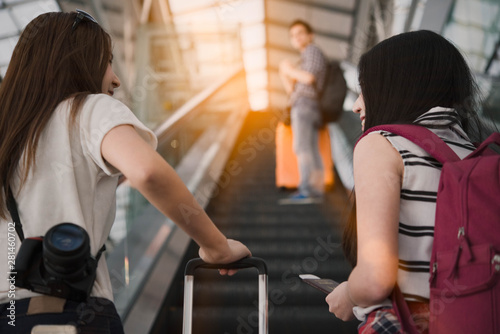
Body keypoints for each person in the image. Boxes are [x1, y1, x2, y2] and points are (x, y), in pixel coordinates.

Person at [0, 11, 250, 333]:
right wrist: (216, 246)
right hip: (70, 317)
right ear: (78, 62)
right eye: (107, 62)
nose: (115, 79)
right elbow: (148, 172)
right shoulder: (87, 109)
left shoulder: (8, 137)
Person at [325, 30, 490, 333]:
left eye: (365, 90)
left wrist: (349, 293)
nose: (356, 105)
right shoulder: (477, 154)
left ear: (396, 87)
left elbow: (375, 279)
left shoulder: (382, 143)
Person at [278, 19, 328, 204]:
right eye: (292, 35)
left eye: (300, 33)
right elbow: (292, 92)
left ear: (310, 35)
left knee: (302, 147)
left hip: (306, 105)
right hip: (307, 105)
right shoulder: (304, 57)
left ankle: (307, 190)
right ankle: (315, 190)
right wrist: (285, 74)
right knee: (311, 149)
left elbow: (308, 79)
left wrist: (289, 70)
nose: (296, 38)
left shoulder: (312, 51)